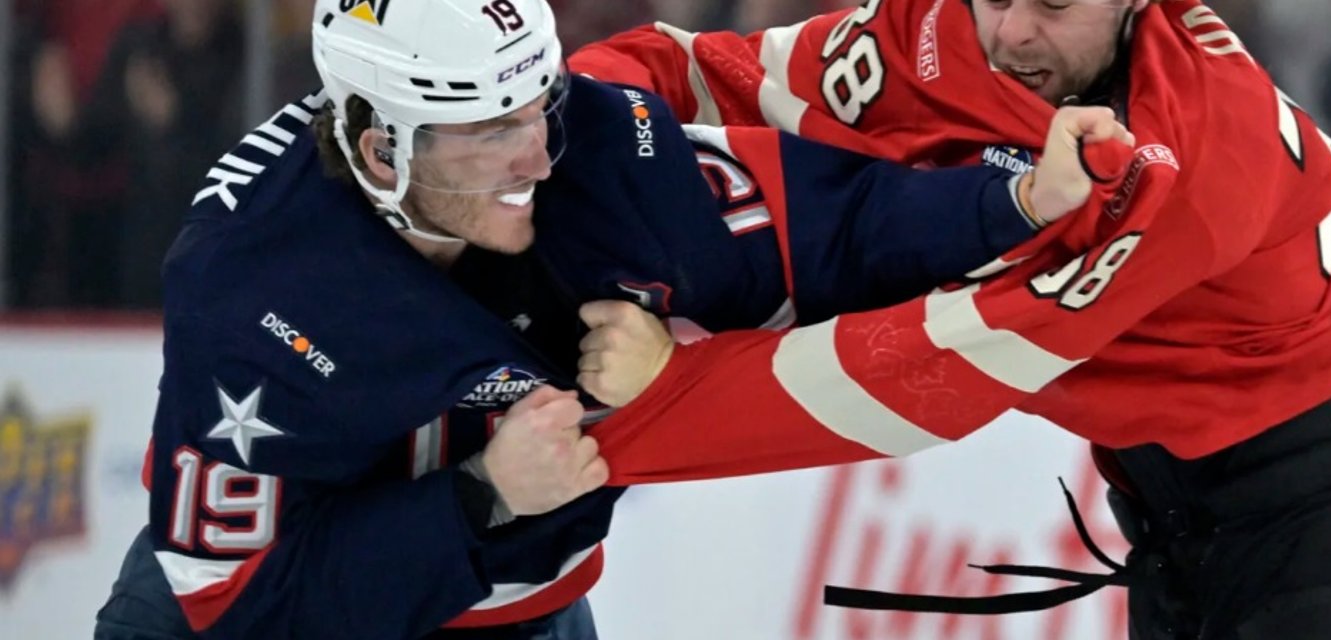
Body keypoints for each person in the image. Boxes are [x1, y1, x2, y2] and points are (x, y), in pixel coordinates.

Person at [91, 0, 1131, 637]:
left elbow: (828, 222)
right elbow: (242, 604)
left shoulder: (592, 148)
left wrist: (1017, 199)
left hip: (517, 615)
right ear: (379, 152)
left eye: (533, 105)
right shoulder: (248, 287)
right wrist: (481, 495)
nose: (537, 156)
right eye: (490, 129)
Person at [564, 1, 1331, 637]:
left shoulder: (1194, 157)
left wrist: (662, 398)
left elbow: (936, 369)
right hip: (1181, 538)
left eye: (1054, 3)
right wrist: (538, 115)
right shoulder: (945, 24)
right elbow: (719, 73)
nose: (1011, 32)